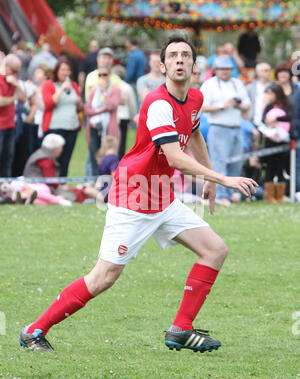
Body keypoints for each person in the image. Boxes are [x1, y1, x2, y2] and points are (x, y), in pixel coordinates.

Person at [18, 35, 257, 353]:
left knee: (215, 250)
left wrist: (209, 176)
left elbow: (195, 131)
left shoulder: (195, 98)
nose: (180, 59)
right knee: (103, 277)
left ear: (195, 65)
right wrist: (222, 178)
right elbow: (175, 158)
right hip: (133, 196)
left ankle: (180, 330)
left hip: (161, 196)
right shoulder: (158, 103)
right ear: (163, 66)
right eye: (173, 55)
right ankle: (34, 331)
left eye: (186, 55)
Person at [200, 55, 251, 206]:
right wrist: (223, 105)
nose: (224, 72)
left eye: (227, 69)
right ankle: (220, 195)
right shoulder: (209, 84)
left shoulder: (237, 84)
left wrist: (237, 105)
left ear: (231, 70)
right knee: (219, 162)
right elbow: (202, 107)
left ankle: (231, 193)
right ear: (216, 70)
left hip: (236, 127)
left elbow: (247, 104)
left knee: (236, 162)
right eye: (221, 69)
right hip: (218, 127)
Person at [23, 133, 98, 204]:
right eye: (61, 147)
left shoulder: (40, 153)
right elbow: (51, 181)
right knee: (72, 194)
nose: (62, 150)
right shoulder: (46, 159)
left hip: (35, 186)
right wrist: (66, 187)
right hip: (41, 188)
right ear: (55, 148)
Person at [41, 58, 83, 177]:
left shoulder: (73, 85)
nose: (66, 73)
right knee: (53, 159)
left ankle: (63, 182)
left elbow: (79, 108)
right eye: (63, 70)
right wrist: (62, 89)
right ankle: (51, 182)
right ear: (57, 70)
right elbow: (48, 103)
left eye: (68, 70)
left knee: (66, 158)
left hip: (71, 127)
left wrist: (80, 103)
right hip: (55, 127)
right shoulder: (49, 84)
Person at [84, 65, 121, 176]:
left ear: (110, 75)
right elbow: (87, 110)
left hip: (108, 127)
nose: (102, 77)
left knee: (109, 156)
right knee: (95, 155)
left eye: (104, 75)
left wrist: (104, 91)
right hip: (94, 127)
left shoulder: (115, 89)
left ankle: (109, 183)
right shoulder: (94, 90)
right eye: (99, 75)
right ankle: (96, 181)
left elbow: (111, 106)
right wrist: (100, 110)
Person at [260, 82, 292, 203]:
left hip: (282, 141)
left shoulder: (287, 105)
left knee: (281, 168)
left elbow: (290, 117)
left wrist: (277, 119)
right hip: (270, 141)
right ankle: (269, 196)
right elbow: (263, 119)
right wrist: (269, 122)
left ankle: (280, 196)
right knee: (270, 168)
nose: (269, 96)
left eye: (271, 93)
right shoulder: (269, 107)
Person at [0, 54, 26, 177]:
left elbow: (23, 98)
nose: (15, 73)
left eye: (17, 71)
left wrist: (16, 84)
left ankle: (6, 187)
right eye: (13, 70)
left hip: (10, 124)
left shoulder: (13, 78)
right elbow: (1, 102)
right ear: (6, 65)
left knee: (8, 159)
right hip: (0, 125)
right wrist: (13, 98)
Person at [111, 65, 138, 159]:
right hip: (124, 117)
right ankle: (119, 160)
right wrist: (133, 116)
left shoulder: (111, 86)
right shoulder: (127, 87)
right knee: (122, 142)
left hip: (113, 116)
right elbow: (132, 104)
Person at [247, 62, 272, 128]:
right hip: (253, 123)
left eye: (269, 70)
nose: (269, 72)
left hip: (270, 124)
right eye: (266, 70)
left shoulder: (274, 87)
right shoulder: (250, 87)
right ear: (258, 72)